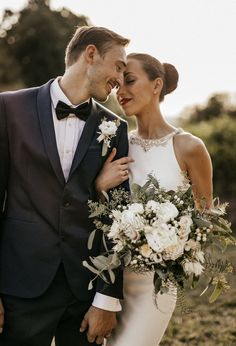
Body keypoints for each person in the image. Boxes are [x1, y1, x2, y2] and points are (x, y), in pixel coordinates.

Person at [0, 26, 133, 346]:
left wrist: (107, 299)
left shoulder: (114, 128)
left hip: (85, 293)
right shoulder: (8, 108)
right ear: (90, 54)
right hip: (21, 288)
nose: (119, 79)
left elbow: (122, 219)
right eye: (118, 66)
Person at [95, 53, 213, 346]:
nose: (120, 92)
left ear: (157, 84)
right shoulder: (117, 144)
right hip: (109, 282)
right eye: (118, 85)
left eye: (130, 81)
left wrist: (173, 244)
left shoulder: (189, 147)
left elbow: (205, 218)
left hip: (155, 287)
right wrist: (99, 185)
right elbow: (97, 211)